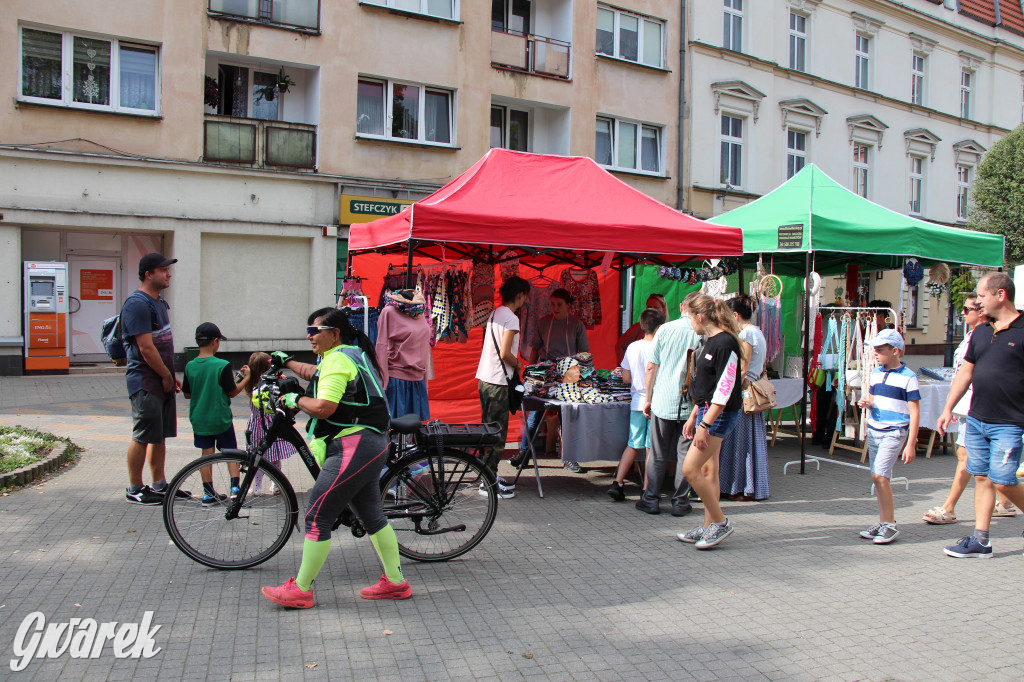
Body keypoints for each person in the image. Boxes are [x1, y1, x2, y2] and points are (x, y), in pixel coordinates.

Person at [261, 308, 410, 608]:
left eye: (314, 330)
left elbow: (325, 407)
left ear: (334, 333)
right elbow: (316, 374)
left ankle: (301, 589)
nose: (309, 336)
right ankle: (395, 583)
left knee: (317, 514)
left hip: (354, 445)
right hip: (370, 442)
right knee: (372, 516)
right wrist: (287, 362)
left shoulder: (338, 360)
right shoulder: (350, 355)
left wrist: (294, 399)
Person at [937, 272, 1024, 558]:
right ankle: (981, 540)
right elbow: (966, 372)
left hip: (1009, 422)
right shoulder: (982, 332)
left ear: (1001, 295)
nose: (977, 301)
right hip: (977, 419)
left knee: (1003, 480)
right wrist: (948, 407)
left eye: (982, 296)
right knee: (982, 477)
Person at [923, 294, 1016, 524]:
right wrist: (951, 407)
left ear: (981, 311)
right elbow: (962, 373)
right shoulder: (974, 335)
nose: (962, 313)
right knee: (980, 466)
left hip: (985, 407)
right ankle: (1000, 507)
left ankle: (950, 507)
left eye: (967, 309)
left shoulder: (992, 333)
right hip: (969, 407)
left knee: (971, 460)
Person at [676, 294, 744, 549]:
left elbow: (724, 391)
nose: (689, 323)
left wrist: (704, 424)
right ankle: (708, 528)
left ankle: (719, 522)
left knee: (690, 469)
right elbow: (707, 386)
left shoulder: (725, 343)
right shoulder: (710, 341)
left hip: (718, 414)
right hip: (707, 411)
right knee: (706, 470)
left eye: (690, 317)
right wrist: (696, 415)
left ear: (700, 317)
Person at [123, 252, 179, 505]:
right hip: (146, 381)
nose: (169, 274)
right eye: (164, 270)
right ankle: (135, 487)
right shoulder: (137, 303)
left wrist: (171, 376)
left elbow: (162, 344)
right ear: (149, 274)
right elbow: (146, 348)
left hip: (162, 380)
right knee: (144, 434)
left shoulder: (158, 302)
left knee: (159, 434)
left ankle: (159, 485)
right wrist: (165, 374)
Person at [638, 291, 702, 516]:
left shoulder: (665, 329)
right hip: (689, 403)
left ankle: (652, 499)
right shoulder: (700, 334)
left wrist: (648, 398)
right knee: (685, 452)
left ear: (682, 307)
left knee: (657, 452)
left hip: (663, 400)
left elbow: (651, 367)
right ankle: (680, 501)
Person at [855, 329, 920, 544]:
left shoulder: (909, 377)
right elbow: (874, 397)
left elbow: (914, 411)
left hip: (894, 431)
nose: (875, 353)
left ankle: (889, 524)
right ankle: (884, 522)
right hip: (875, 429)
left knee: (880, 477)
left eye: (880, 350)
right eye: (875, 349)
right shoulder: (876, 373)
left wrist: (911, 443)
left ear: (895, 351)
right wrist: (867, 402)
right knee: (878, 477)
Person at [521, 288, 590, 472]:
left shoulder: (576, 325)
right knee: (534, 415)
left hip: (569, 377)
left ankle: (569, 459)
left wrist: (581, 376)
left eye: (559, 304)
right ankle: (524, 454)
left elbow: (584, 353)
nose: (555, 308)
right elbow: (535, 347)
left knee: (566, 418)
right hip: (545, 376)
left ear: (569, 306)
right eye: (552, 304)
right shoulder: (544, 323)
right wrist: (530, 371)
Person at [181, 322, 249, 504]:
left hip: (200, 418)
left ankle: (208, 493)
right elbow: (232, 391)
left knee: (206, 453)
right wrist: (246, 379)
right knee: (231, 452)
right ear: (215, 341)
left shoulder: (190, 366)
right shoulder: (222, 365)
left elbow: (187, 394)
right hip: (220, 418)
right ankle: (235, 489)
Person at [476, 276, 531, 499]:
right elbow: (505, 353)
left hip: (485, 378)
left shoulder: (495, 313)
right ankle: (488, 483)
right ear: (520, 296)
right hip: (499, 382)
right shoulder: (511, 318)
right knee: (497, 435)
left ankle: (486, 476)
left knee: (488, 431)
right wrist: (518, 363)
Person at [609, 307, 665, 501]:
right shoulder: (660, 347)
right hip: (656, 403)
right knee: (650, 447)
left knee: (633, 444)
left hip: (636, 402)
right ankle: (647, 489)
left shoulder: (632, 347)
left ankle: (618, 482)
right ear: (660, 327)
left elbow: (625, 378)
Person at [718, 294, 771, 501]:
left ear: (735, 315)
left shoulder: (747, 334)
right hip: (750, 393)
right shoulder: (756, 333)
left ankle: (740, 486)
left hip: (743, 395)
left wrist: (728, 391)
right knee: (747, 443)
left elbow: (743, 369)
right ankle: (744, 485)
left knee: (740, 444)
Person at [242, 352, 296, 495]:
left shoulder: (251, 382)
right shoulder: (272, 381)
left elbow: (237, 385)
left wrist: (245, 375)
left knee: (258, 458)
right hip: (273, 424)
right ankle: (276, 485)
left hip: (256, 426)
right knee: (275, 458)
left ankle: (258, 488)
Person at [375, 289, 432, 419]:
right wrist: (383, 381)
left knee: (413, 430)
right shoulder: (389, 311)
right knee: (394, 430)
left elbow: (424, 346)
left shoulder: (419, 310)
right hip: (397, 380)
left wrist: (425, 380)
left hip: (417, 380)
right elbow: (381, 346)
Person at [615, 294, 668, 364]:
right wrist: (625, 366)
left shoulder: (667, 329)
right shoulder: (638, 327)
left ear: (663, 309)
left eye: (656, 307)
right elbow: (619, 346)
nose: (652, 310)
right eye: (649, 307)